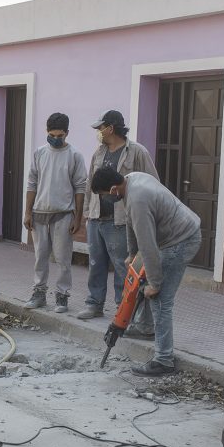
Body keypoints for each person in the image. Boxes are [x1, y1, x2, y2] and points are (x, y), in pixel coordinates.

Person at [90, 167, 201, 376]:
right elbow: (131, 224)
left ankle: (164, 360)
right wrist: (132, 254)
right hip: (176, 234)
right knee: (147, 290)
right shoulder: (132, 180)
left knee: (160, 300)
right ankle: (145, 327)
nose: (105, 200)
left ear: (113, 189)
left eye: (104, 195)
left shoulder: (138, 199)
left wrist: (155, 284)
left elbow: (148, 245)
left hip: (181, 240)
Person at [77, 110, 160, 340]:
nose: (98, 133)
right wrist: (86, 213)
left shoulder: (136, 152)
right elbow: (89, 183)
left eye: (100, 128)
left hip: (121, 220)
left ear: (110, 128)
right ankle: (94, 303)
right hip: (97, 218)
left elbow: (152, 181)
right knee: (96, 264)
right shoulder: (99, 152)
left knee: (123, 268)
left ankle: (123, 308)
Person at [23, 112, 87, 313]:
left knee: (63, 259)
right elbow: (32, 182)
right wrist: (27, 212)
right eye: (52, 134)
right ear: (47, 132)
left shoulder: (74, 155)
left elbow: (80, 187)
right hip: (39, 213)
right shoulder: (39, 153)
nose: (56, 138)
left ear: (67, 133)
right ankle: (39, 293)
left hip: (64, 214)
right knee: (40, 257)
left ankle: (62, 296)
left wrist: (77, 218)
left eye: (60, 135)